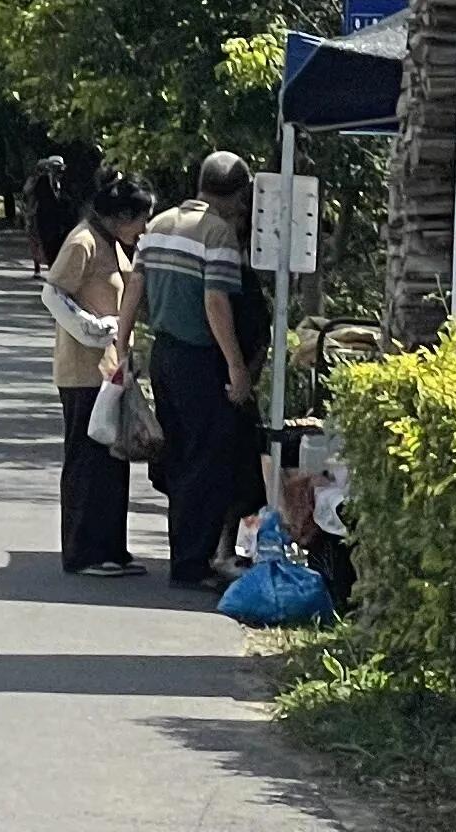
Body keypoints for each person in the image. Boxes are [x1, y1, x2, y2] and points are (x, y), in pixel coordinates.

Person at [136, 151, 269, 592]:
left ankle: (186, 553)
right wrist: (237, 367)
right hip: (201, 359)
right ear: (239, 194)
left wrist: (123, 345)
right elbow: (216, 302)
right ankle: (192, 564)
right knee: (206, 461)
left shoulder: (159, 224)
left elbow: (136, 287)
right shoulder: (218, 234)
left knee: (180, 458)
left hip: (165, 354)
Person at [43, 171, 151, 578]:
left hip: (110, 369)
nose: (143, 229)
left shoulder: (115, 245)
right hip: (82, 371)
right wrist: (89, 327)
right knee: (86, 462)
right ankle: (83, 552)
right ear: (120, 216)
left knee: (112, 460)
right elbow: (52, 293)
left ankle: (111, 548)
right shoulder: (83, 242)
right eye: (140, 219)